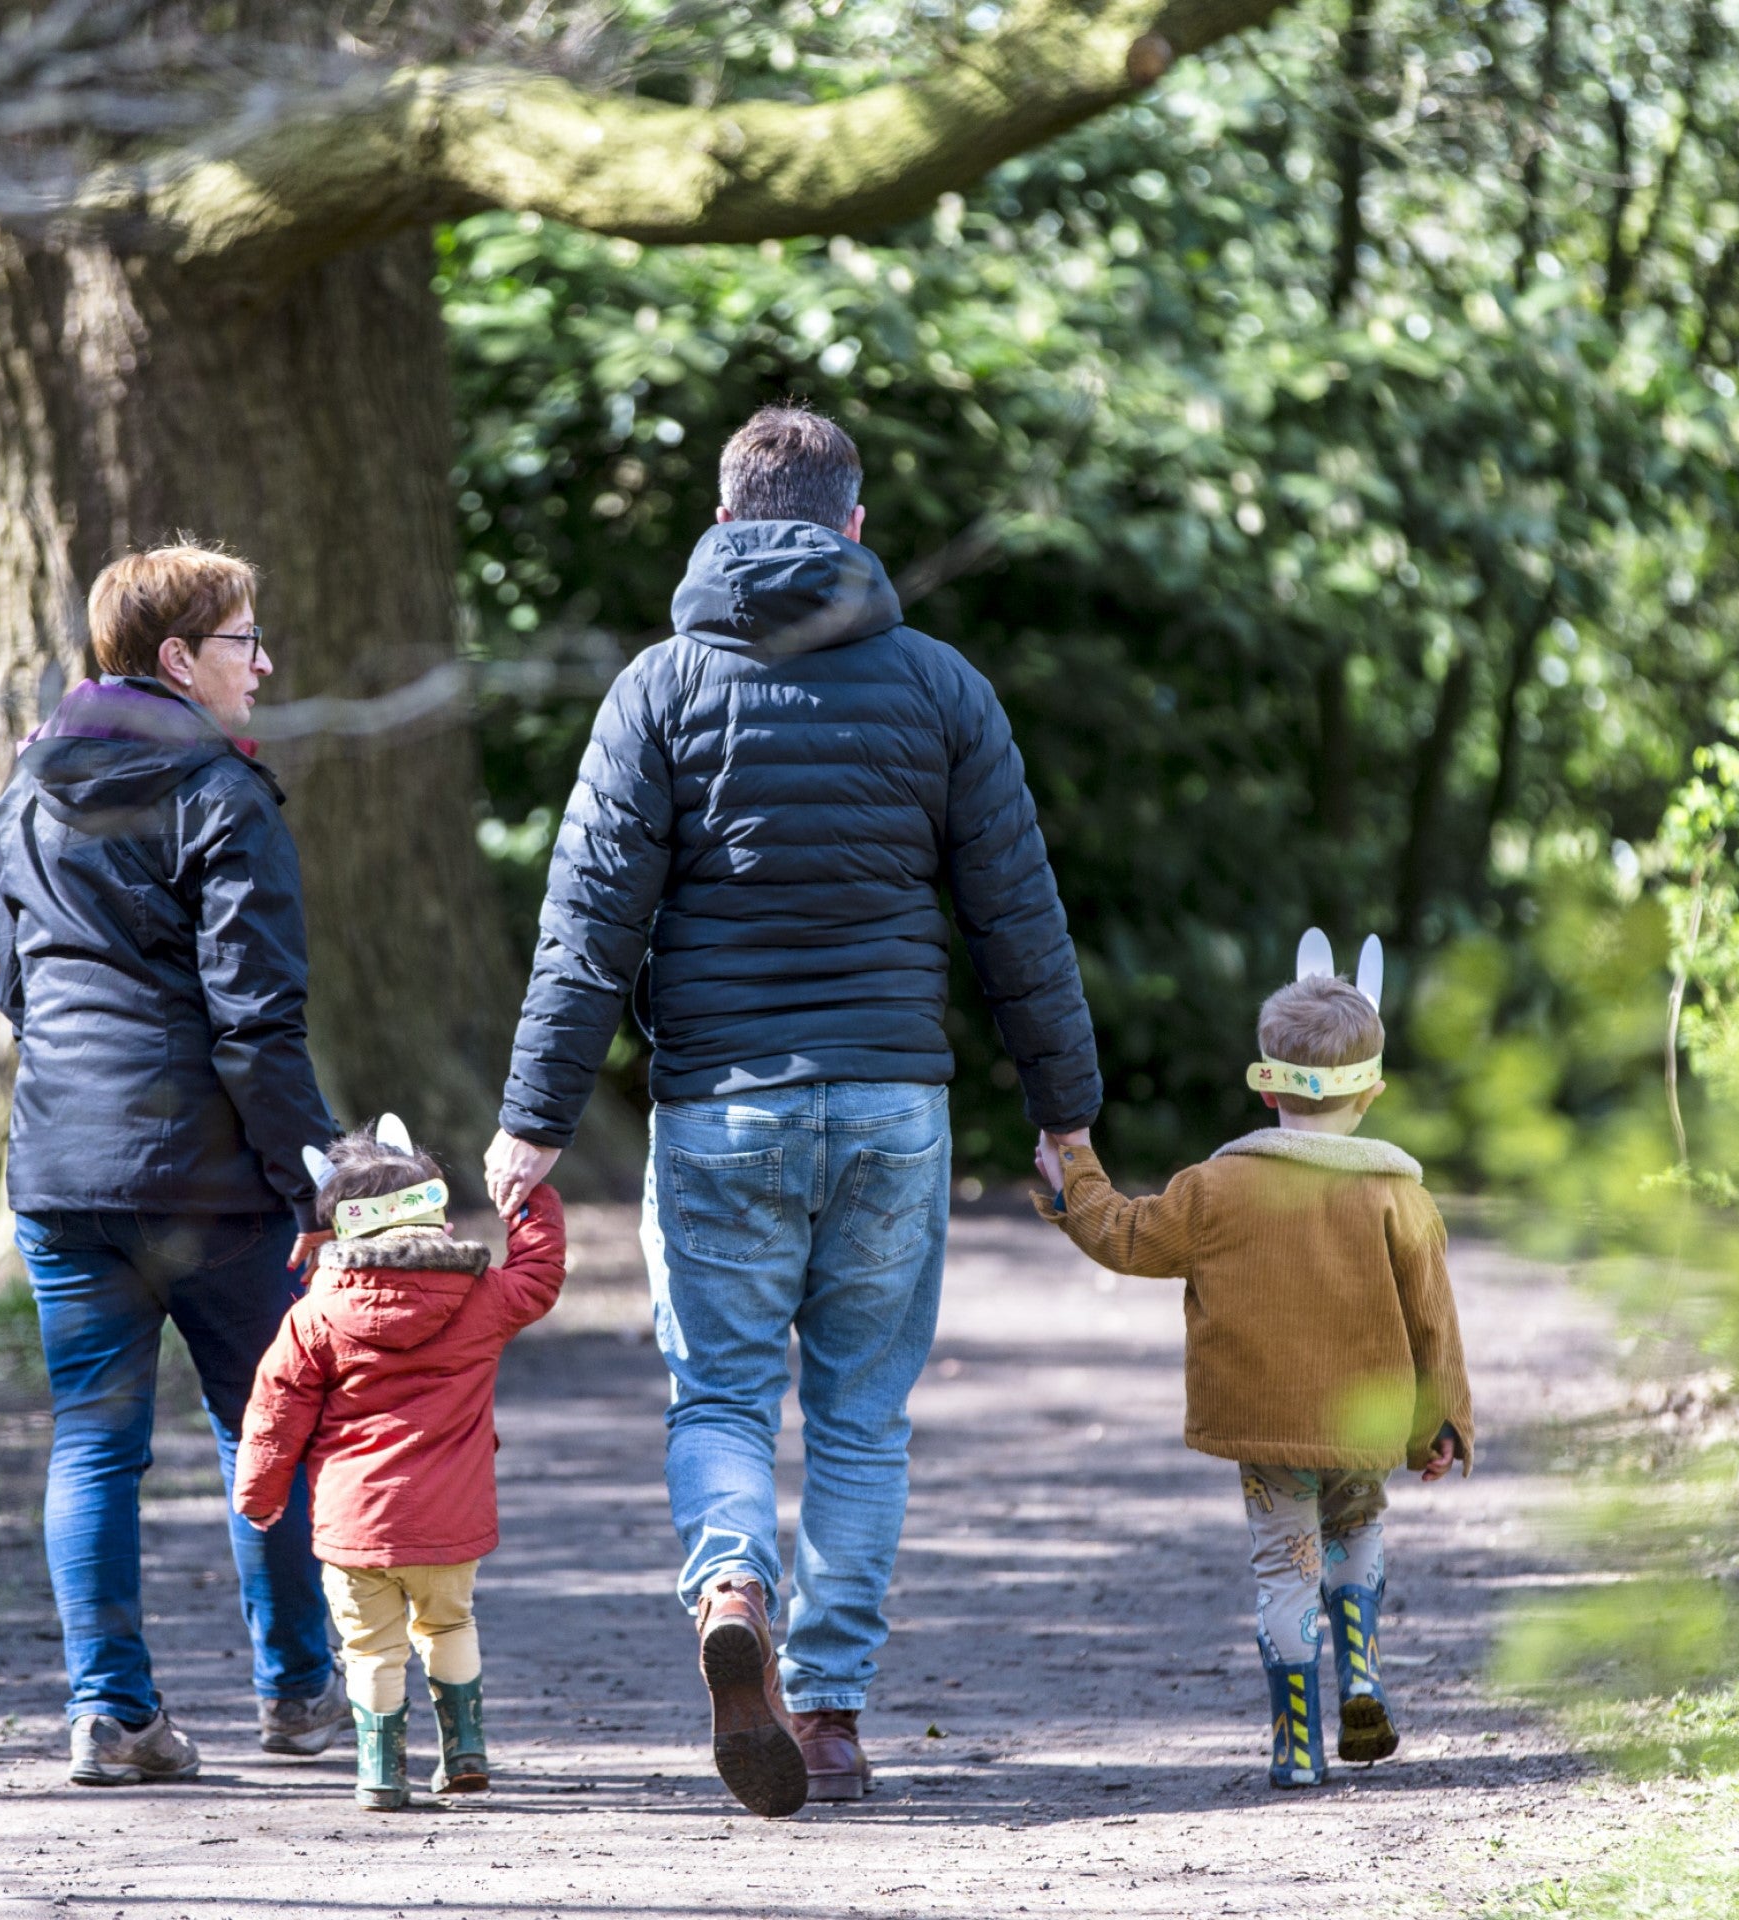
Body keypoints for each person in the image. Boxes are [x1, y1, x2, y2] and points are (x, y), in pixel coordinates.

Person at [482, 405, 1101, 1816]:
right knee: (866, 1418)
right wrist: (1066, 1120)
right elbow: (1021, 924)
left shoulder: (659, 690)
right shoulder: (943, 688)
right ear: (854, 528)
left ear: (719, 525)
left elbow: (586, 930)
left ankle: (730, 1582)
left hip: (722, 1108)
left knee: (720, 1391)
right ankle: (825, 1714)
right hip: (892, 1106)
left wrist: (531, 1127)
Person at [0, 541, 349, 1786]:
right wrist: (315, 1178)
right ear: (178, 659)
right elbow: (256, 1021)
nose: (266, 662)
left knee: (92, 1444)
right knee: (273, 1428)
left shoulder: (22, 790)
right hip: (206, 1182)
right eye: (246, 640)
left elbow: (15, 993)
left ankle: (110, 1714)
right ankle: (301, 1694)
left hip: (62, 1171)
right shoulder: (221, 789)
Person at [1034, 956, 1473, 1790]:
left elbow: (1125, 1237)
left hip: (1268, 1428)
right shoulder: (1399, 1196)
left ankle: (1295, 1748)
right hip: (1364, 1422)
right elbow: (1434, 1323)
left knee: (1284, 1567)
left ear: (1268, 1090)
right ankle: (1367, 1677)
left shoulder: (1217, 1187)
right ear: (1371, 1092)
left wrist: (1076, 1173)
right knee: (1358, 1530)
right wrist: (1442, 1423)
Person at [234, 1118, 567, 1810]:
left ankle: (382, 1772)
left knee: (372, 1650)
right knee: (449, 1625)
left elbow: (275, 1408)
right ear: (436, 1215)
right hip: (452, 1521)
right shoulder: (482, 1296)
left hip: (355, 1533)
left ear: (340, 1230)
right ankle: (464, 1749)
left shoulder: (315, 1314)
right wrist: (531, 1200)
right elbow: (539, 1277)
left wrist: (261, 1494)